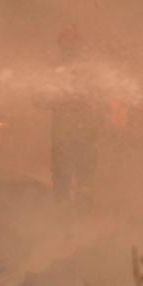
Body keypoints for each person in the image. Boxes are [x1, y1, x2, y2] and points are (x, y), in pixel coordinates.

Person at [48, 24, 107, 207]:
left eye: (72, 39)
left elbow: (100, 99)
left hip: (85, 133)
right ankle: (63, 211)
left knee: (84, 177)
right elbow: (40, 100)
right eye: (65, 40)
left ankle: (83, 213)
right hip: (62, 133)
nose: (68, 44)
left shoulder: (91, 69)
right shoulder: (53, 68)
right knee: (62, 176)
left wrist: (96, 121)